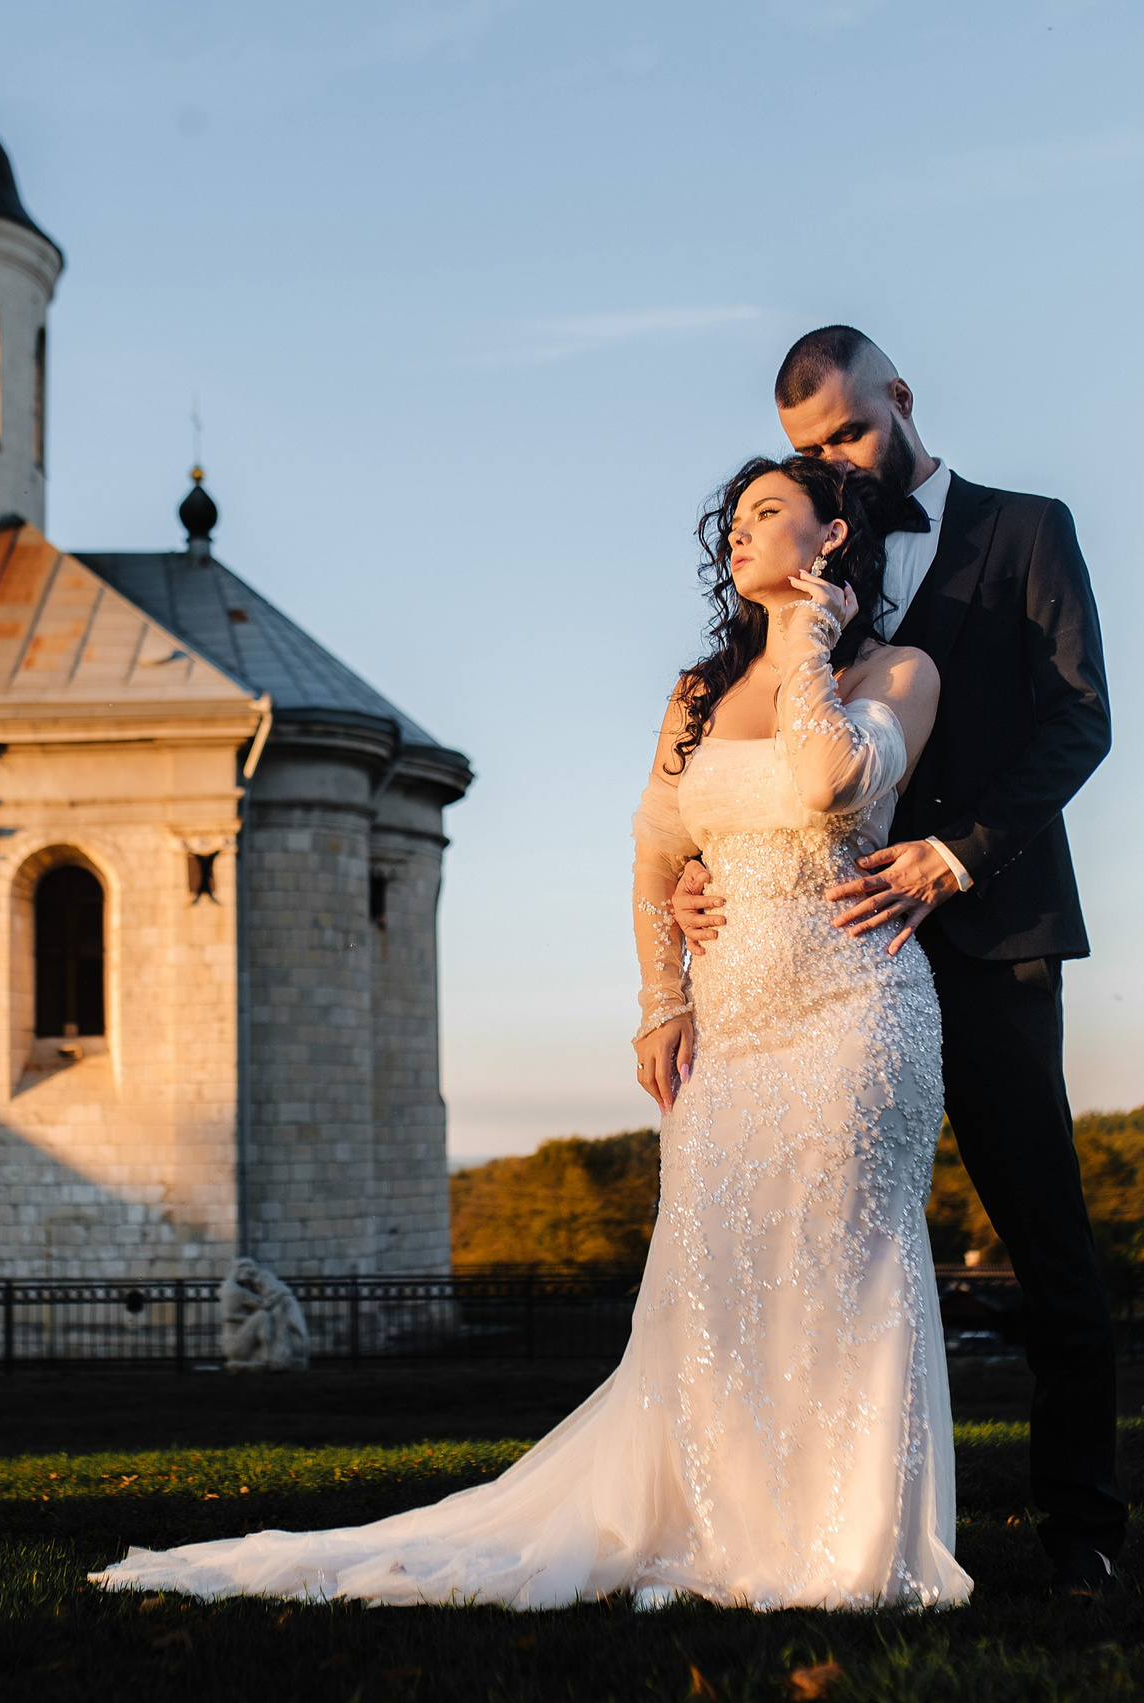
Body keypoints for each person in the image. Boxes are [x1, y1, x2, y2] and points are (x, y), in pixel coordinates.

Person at [91, 456, 966, 1610]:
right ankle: (732, 1518)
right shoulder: (694, 697)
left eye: (766, 513)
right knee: (720, 1281)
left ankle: (845, 1541)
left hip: (855, 1014)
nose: (739, 535)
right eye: (733, 520)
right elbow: (656, 849)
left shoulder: (897, 670)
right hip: (734, 1032)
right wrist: (663, 997)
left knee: (846, 1270)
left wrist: (806, 642)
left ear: (831, 532)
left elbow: (829, 787)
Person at [672, 326, 1123, 1597]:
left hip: (983, 934)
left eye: (850, 435)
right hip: (812, 962)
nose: (838, 467)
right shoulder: (818, 546)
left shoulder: (1029, 528)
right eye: (812, 453)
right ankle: (805, 1520)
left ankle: (1082, 1528)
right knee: (809, 1251)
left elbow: (1079, 720)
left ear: (902, 398)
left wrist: (957, 854)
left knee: (1044, 1240)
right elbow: (764, 740)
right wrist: (717, 861)